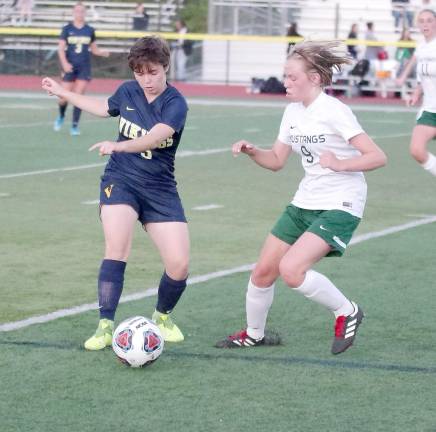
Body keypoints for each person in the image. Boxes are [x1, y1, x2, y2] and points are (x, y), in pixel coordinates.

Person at [216, 40, 387, 355]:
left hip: (341, 203)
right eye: (285, 75)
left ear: (315, 79)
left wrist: (340, 163)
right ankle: (254, 334)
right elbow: (277, 161)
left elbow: (377, 157)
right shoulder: (292, 112)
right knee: (263, 271)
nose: (286, 82)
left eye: (293, 76)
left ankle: (346, 310)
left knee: (292, 270)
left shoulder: (335, 111)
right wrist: (254, 152)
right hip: (305, 201)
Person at [42, 35, 190, 350]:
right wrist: (62, 91)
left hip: (160, 188)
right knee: (116, 248)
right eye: (139, 72)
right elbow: (102, 107)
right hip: (120, 179)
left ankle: (162, 316)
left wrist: (118, 145)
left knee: (179, 265)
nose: (146, 79)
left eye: (152, 72)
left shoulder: (176, 103)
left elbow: (154, 138)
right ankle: (105, 325)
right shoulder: (126, 91)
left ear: (165, 67)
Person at [54, 2, 109, 136]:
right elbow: (61, 49)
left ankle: (74, 126)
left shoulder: (89, 29)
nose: (80, 13)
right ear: (73, 12)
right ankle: (61, 115)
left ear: (85, 13)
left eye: (82, 11)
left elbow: (94, 49)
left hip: (84, 67)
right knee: (63, 97)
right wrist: (65, 64)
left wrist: (102, 52)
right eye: (77, 11)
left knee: (78, 97)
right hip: (70, 66)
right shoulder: (67, 28)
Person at [396, 9, 436, 175]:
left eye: (429, 20)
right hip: (429, 110)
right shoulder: (421, 48)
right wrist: (416, 93)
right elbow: (422, 77)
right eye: (422, 21)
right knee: (416, 150)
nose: (425, 24)